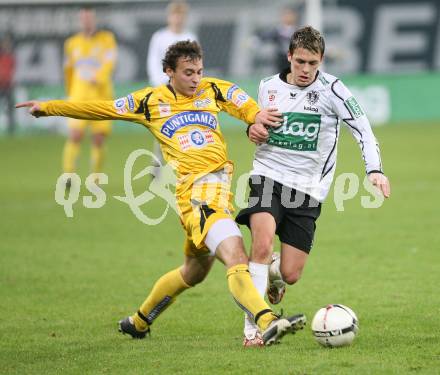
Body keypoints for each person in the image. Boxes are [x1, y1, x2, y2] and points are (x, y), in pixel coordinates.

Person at [16, 40, 306, 346]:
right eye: (188, 72)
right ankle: (267, 320)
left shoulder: (212, 90)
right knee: (236, 256)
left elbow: (243, 103)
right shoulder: (149, 101)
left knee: (192, 273)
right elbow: (103, 108)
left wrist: (255, 117)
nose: (196, 79)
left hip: (219, 193)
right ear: (169, 71)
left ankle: (138, 322)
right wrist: (48, 108)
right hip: (197, 199)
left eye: (199, 71)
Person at [236, 26, 391, 347]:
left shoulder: (334, 90)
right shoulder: (267, 87)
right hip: (268, 176)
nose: (306, 70)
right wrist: (252, 128)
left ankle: (275, 274)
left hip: (307, 190)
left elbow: (363, 130)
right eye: (301, 62)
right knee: (261, 246)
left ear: (321, 61)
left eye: (313, 64)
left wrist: (375, 170)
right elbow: (254, 122)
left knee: (291, 273)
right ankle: (254, 329)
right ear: (289, 56)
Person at [62, 7, 117, 186]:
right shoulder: (71, 43)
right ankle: (69, 175)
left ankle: (95, 178)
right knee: (75, 134)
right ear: (80, 20)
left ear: (94, 20)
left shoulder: (107, 39)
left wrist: (99, 77)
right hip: (79, 96)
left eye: (89, 18)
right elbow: (69, 70)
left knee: (98, 138)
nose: (86, 21)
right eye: (83, 18)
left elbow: (110, 62)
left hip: (101, 95)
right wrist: (70, 91)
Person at [146, 1, 197, 180]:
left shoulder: (190, 37)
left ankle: (186, 165)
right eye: (175, 15)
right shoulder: (159, 37)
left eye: (181, 15)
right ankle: (157, 164)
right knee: (164, 127)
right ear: (170, 17)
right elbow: (153, 61)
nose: (178, 18)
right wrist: (160, 83)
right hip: (165, 90)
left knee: (186, 126)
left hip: (184, 90)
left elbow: (194, 63)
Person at [255, 5, 298, 73]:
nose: (288, 17)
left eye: (290, 15)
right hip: (279, 61)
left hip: (294, 61)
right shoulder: (276, 31)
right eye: (285, 15)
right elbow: (265, 37)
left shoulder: (298, 31)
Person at [0, 33, 16, 134]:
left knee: (10, 107)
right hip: (0, 85)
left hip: (8, 86)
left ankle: (11, 128)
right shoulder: (2, 57)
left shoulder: (10, 57)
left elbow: (12, 72)